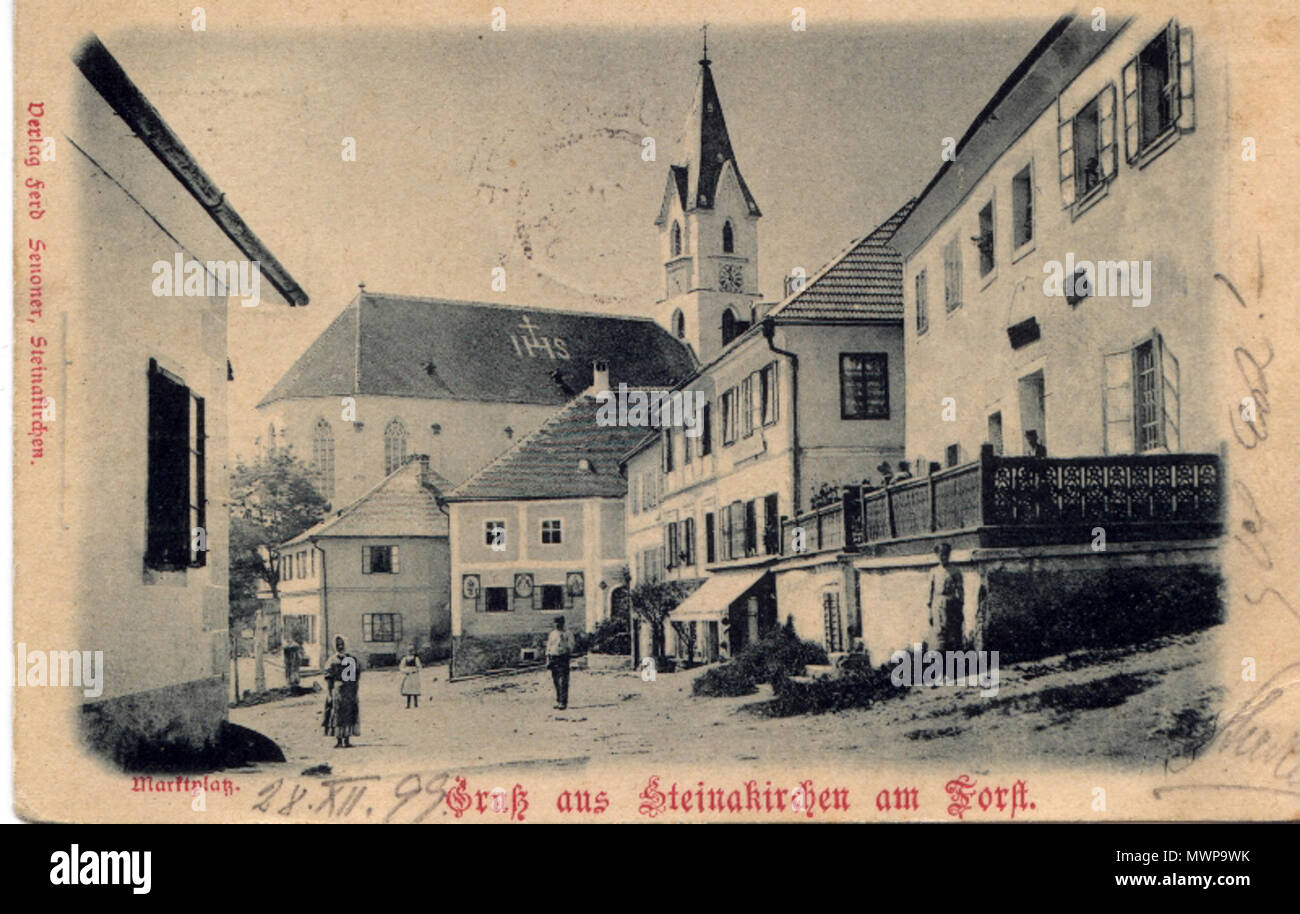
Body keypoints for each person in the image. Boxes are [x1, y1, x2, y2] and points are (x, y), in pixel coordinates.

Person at [323, 635, 361, 748]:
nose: (340, 646)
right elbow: (329, 677)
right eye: (337, 644)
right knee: (338, 713)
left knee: (349, 712)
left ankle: (347, 739)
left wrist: (355, 690)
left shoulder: (352, 659)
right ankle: (339, 740)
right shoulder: (332, 660)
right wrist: (329, 692)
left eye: (342, 644)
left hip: (350, 690)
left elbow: (356, 676)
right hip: (338, 689)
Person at [927, 543, 965, 654]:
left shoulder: (955, 571)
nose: (943, 558)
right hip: (938, 603)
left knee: (953, 632)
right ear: (937, 556)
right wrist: (930, 610)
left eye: (946, 555)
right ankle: (938, 661)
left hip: (952, 603)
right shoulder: (934, 571)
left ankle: (954, 661)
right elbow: (930, 591)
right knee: (938, 631)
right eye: (941, 555)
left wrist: (960, 606)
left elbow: (960, 589)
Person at [545, 616, 573, 710]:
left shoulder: (568, 633)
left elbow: (571, 647)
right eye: (555, 623)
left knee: (563, 680)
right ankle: (558, 700)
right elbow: (548, 647)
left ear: (563, 623)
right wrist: (548, 660)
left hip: (563, 657)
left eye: (559, 623)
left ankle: (563, 702)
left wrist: (564, 641)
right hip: (553, 658)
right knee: (556, 680)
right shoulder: (552, 634)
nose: (557, 625)